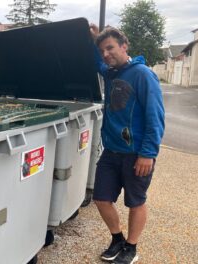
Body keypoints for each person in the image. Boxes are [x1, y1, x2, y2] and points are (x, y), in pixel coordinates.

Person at [89, 25, 165, 264]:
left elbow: (156, 116)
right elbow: (99, 64)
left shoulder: (143, 74)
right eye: (102, 50)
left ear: (124, 46)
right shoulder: (112, 72)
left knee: (136, 201)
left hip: (136, 155)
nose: (106, 54)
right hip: (111, 153)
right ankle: (117, 239)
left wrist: (148, 153)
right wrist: (92, 41)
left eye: (110, 48)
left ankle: (131, 247)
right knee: (101, 198)